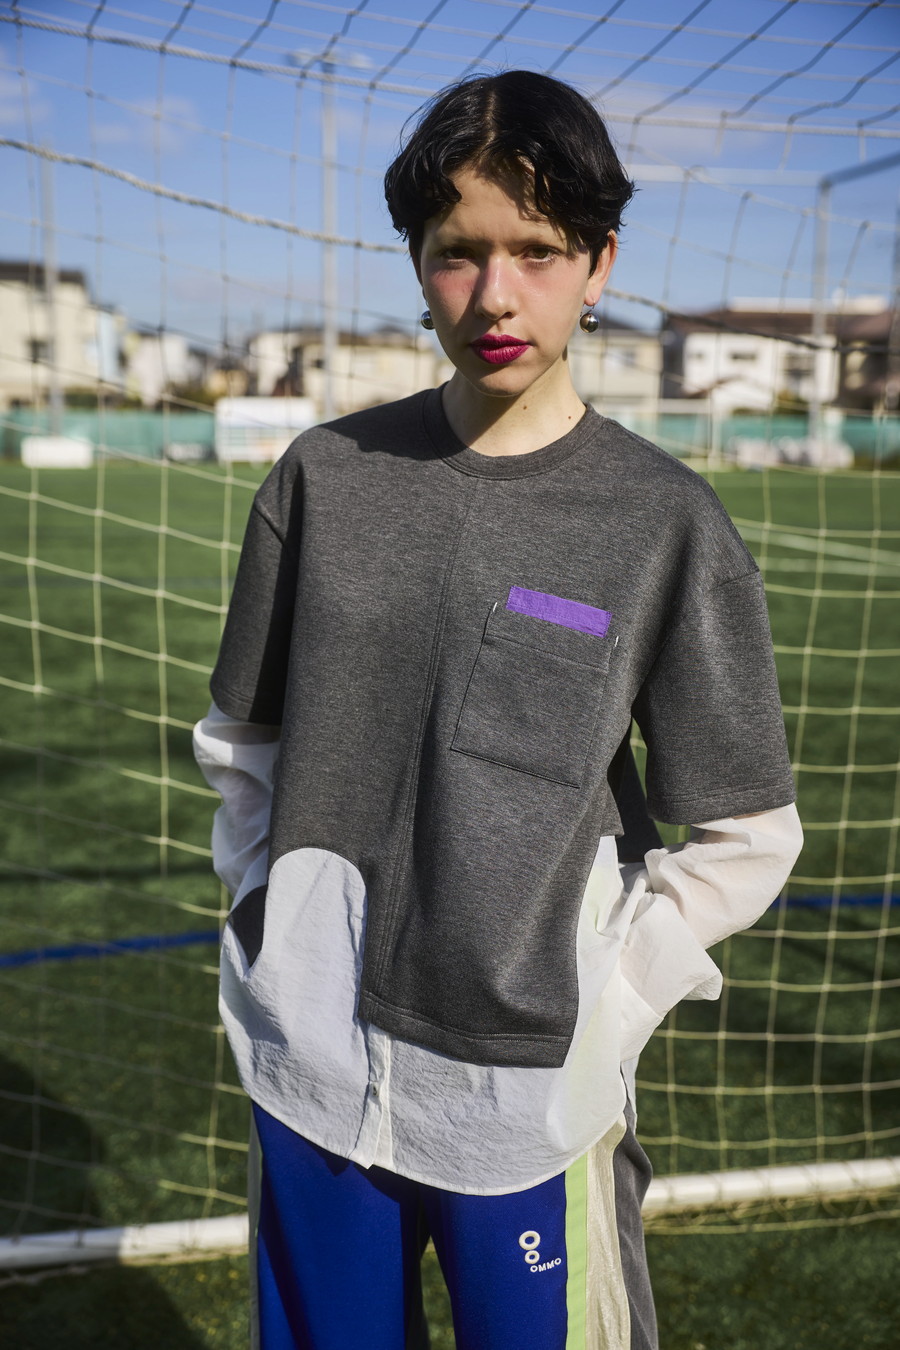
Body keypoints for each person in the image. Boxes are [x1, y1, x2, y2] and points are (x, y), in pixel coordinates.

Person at [193, 70, 803, 1350]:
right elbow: (244, 747)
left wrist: (606, 1005)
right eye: (458, 253)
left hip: (525, 1106)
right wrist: (267, 927)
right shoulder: (323, 479)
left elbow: (749, 835)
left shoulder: (662, 523)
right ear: (418, 266)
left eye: (538, 250)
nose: (496, 295)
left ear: (600, 264)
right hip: (309, 1069)